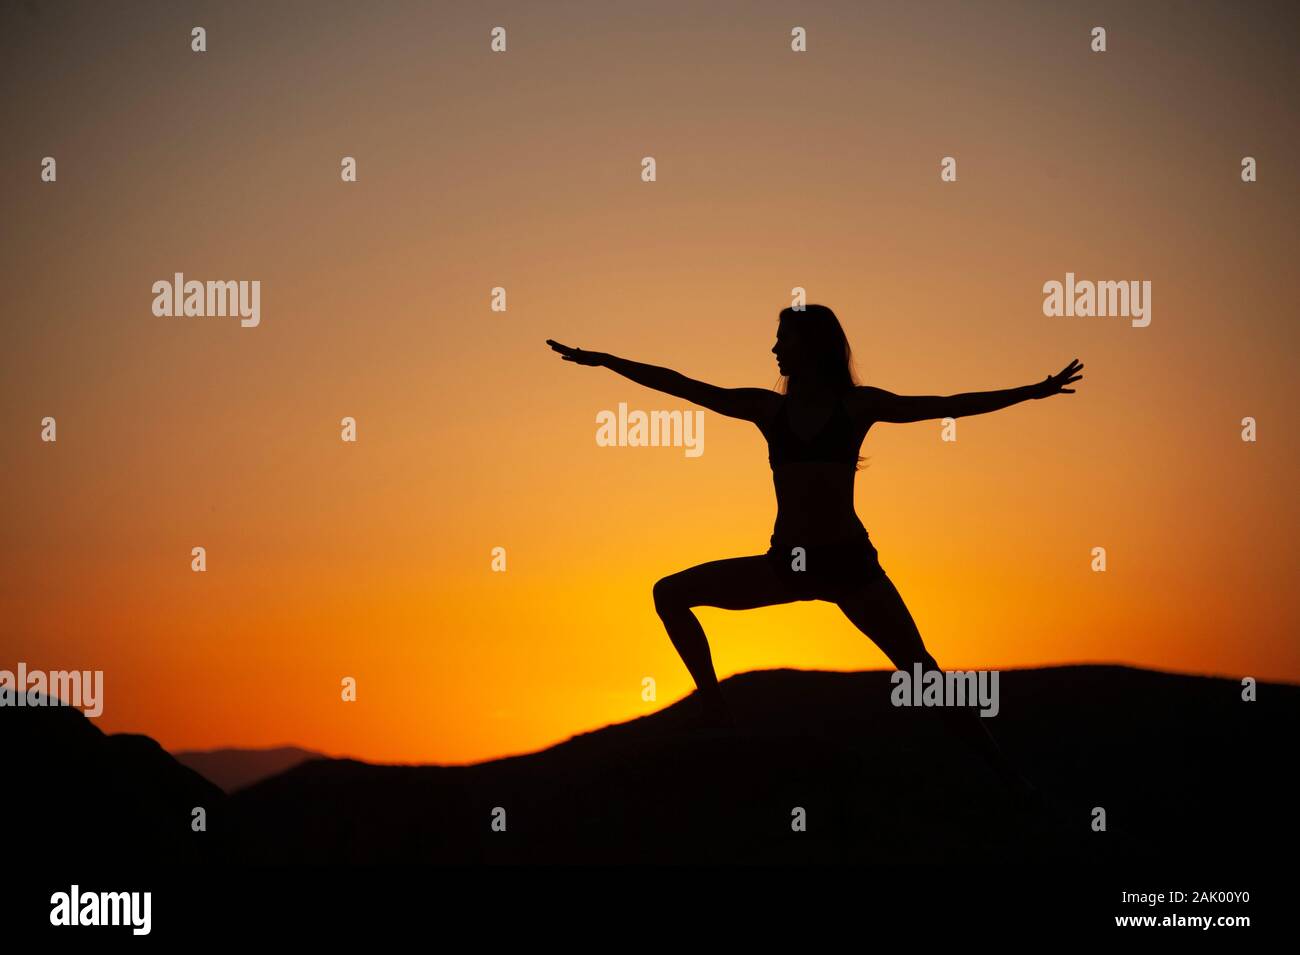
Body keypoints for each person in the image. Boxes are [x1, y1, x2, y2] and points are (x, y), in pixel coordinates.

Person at [546, 305, 1082, 801]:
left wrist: (1033, 391)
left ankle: (1011, 781)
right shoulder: (766, 409)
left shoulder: (858, 407)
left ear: (814, 346)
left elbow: (943, 407)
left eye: (784, 339)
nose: (775, 350)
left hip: (851, 568)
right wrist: (606, 361)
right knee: (669, 594)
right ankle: (714, 708)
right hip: (788, 567)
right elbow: (685, 387)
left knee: (922, 672)